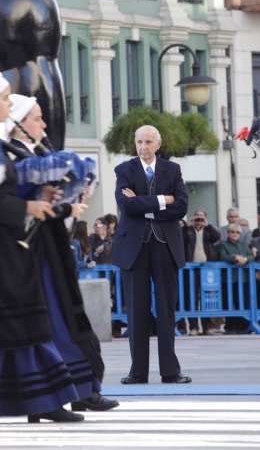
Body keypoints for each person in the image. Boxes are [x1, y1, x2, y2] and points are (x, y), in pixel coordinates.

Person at [6, 93, 119, 414]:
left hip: (51, 247)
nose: (43, 124)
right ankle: (54, 395)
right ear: (17, 124)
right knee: (53, 323)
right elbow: (16, 205)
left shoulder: (37, 154)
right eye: (35, 118)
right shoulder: (10, 156)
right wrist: (63, 205)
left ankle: (81, 389)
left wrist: (72, 201)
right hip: (32, 252)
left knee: (65, 320)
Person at [112, 124, 191, 384]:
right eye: (139, 142)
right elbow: (126, 205)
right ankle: (138, 373)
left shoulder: (173, 169)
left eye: (148, 142)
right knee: (136, 311)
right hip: (134, 247)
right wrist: (161, 200)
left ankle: (170, 371)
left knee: (167, 309)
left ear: (158, 144)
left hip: (166, 245)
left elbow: (180, 206)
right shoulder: (124, 170)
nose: (143, 147)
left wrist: (144, 204)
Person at [182, 209, 220, 336]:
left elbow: (217, 238)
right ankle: (193, 327)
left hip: (207, 268)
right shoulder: (188, 231)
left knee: (207, 297)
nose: (199, 218)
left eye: (202, 216)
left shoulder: (209, 231)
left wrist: (208, 225)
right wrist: (187, 226)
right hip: (191, 268)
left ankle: (207, 326)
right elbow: (180, 240)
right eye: (197, 216)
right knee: (191, 297)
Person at [217, 223, 254, 334]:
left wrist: (246, 259)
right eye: (232, 232)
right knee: (228, 303)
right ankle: (230, 327)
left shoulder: (243, 245)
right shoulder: (223, 244)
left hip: (242, 279)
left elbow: (251, 256)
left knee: (241, 302)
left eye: (237, 232)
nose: (235, 234)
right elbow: (222, 256)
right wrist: (235, 258)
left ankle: (241, 327)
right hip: (227, 279)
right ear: (228, 233)